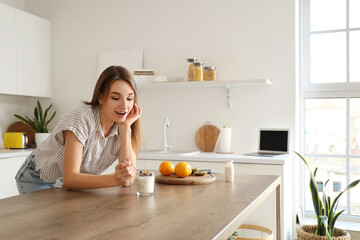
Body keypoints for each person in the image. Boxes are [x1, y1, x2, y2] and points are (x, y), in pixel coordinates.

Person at [15, 65, 142, 194]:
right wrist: (115, 179)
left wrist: (126, 128)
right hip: (38, 178)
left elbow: (128, 180)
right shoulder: (81, 118)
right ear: (101, 97)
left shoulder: (121, 125)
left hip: (73, 184)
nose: (125, 106)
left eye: (130, 98)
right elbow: (70, 178)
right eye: (115, 98)